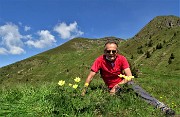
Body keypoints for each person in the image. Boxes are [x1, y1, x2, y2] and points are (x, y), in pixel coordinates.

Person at [82, 40, 175, 116]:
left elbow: (129, 76)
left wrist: (117, 86)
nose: (111, 53)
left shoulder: (122, 59)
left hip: (123, 83)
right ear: (104, 52)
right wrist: (83, 91)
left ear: (116, 52)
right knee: (123, 101)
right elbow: (90, 76)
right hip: (110, 88)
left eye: (113, 51)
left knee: (137, 89)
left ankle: (162, 107)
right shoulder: (99, 60)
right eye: (108, 51)